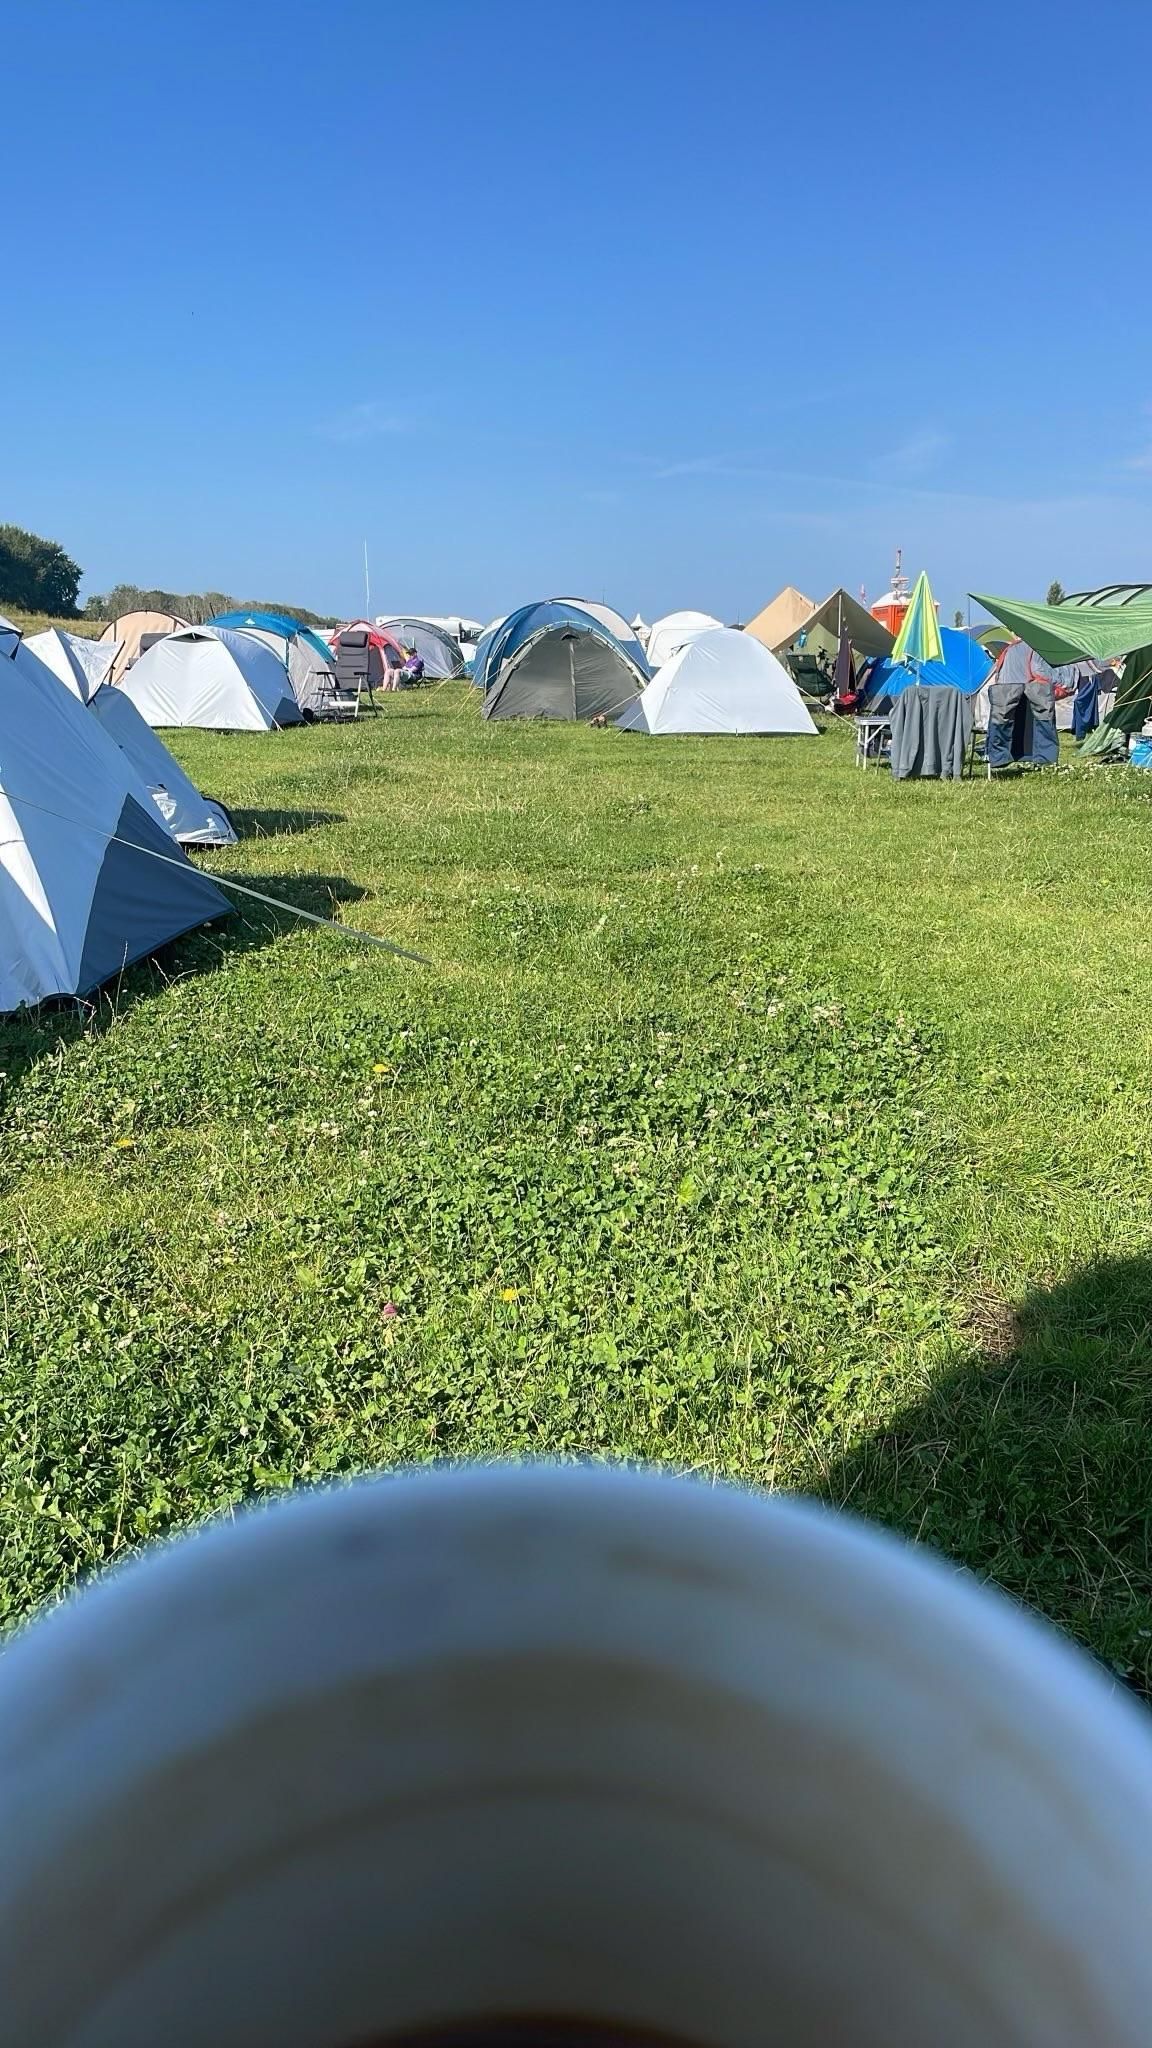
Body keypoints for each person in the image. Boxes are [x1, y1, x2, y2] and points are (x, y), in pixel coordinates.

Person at [985, 637, 1058, 768]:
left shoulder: (1011, 648)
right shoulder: (1038, 646)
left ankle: (998, 757)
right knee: (1043, 717)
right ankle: (1045, 759)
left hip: (1004, 689)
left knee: (1001, 720)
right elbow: (1039, 670)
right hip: (1033, 687)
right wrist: (1055, 682)